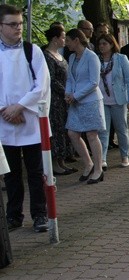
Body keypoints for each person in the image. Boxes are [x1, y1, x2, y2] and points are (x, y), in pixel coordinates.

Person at [0, 4, 51, 232]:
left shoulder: (33, 51)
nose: (18, 28)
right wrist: (6, 110)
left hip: (29, 121)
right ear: (0, 26)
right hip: (4, 121)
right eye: (12, 24)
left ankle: (40, 214)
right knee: (11, 175)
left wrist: (19, 107)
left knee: (36, 172)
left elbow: (41, 86)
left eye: (20, 23)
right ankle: (14, 215)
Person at [65, 28, 106, 184]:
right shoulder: (71, 57)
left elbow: (94, 82)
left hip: (90, 101)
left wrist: (75, 96)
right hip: (75, 101)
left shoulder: (91, 57)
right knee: (72, 133)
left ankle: (98, 169)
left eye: (68, 40)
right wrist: (68, 93)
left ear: (76, 40)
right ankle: (88, 163)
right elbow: (70, 78)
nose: (66, 43)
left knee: (91, 134)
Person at [43, 24, 77, 175]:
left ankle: (62, 161)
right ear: (55, 38)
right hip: (55, 99)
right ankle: (54, 163)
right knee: (56, 129)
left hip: (64, 99)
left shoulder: (60, 55)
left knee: (63, 129)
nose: (65, 40)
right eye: (63, 37)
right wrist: (65, 92)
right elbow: (50, 79)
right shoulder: (47, 56)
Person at [97, 33, 129, 168]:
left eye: (104, 44)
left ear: (112, 45)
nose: (101, 47)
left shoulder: (121, 59)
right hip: (102, 100)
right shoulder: (97, 59)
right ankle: (102, 158)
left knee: (121, 129)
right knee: (103, 130)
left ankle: (124, 156)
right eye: (100, 44)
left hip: (118, 100)